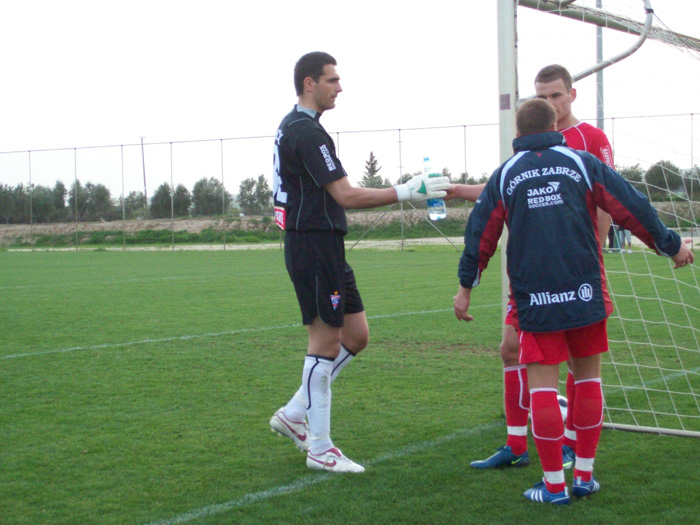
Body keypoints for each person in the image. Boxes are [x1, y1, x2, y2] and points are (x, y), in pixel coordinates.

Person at [453, 97, 693, 504]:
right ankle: (583, 476)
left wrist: (466, 287)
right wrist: (669, 245)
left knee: (543, 387)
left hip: (535, 296)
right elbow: (631, 206)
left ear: (517, 133)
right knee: (588, 380)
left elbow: (481, 233)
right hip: (585, 289)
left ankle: (553, 487)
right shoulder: (582, 162)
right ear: (555, 128)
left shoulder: (505, 173)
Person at [268, 51, 449, 473]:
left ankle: (294, 413)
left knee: (356, 335)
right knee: (325, 343)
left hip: (325, 244)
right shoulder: (306, 131)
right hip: (313, 244)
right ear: (310, 83)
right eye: (332, 80)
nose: (339, 87)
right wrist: (406, 191)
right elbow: (346, 195)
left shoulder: (299, 126)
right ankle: (320, 447)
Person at [466, 64, 616, 471]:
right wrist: (459, 189)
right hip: (531, 273)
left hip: (578, 268)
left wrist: (593, 254)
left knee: (577, 359)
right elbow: (502, 190)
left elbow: (608, 198)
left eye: (556, 95)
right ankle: (516, 445)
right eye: (542, 96)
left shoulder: (591, 140)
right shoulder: (529, 141)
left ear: (572, 94)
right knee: (510, 349)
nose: (550, 102)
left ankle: (571, 445)